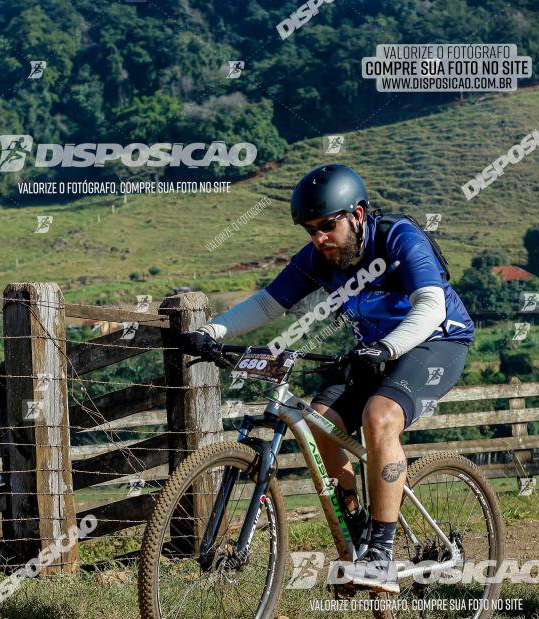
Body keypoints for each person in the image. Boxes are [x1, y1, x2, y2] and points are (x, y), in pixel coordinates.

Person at [177, 164, 474, 590]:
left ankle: (380, 556)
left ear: (357, 214)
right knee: (319, 425)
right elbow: (267, 304)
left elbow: (430, 306)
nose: (319, 238)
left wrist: (386, 348)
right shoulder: (320, 257)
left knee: (380, 417)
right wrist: (211, 332)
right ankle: (358, 534)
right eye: (310, 230)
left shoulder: (399, 237)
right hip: (373, 352)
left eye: (327, 226)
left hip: (437, 340)